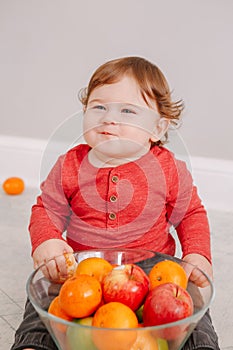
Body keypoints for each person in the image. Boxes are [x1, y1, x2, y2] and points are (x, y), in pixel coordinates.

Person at [11, 56, 220, 350]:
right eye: (98, 107)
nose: (109, 118)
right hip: (82, 268)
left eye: (127, 111)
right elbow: (46, 209)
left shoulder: (168, 168)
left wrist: (198, 254)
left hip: (153, 267)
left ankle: (200, 345)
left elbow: (191, 215)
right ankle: (33, 344)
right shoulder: (70, 164)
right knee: (48, 303)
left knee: (189, 307)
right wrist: (47, 241)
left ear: (158, 129)